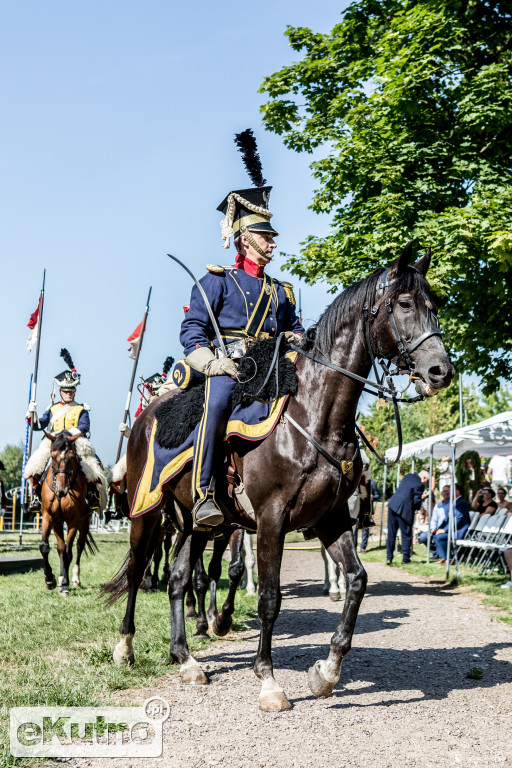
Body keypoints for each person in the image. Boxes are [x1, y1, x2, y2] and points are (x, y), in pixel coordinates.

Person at [180, 132, 304, 528]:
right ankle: (203, 494)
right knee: (216, 404)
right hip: (227, 368)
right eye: (266, 236)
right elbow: (191, 331)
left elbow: (294, 330)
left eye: (271, 237)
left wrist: (298, 344)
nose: (273, 243)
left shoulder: (281, 291)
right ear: (245, 238)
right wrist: (213, 363)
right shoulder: (216, 281)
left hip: (271, 368)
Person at [24, 350, 107, 511]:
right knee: (35, 466)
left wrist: (68, 435)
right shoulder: (53, 408)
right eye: (65, 391)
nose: (68, 393)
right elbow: (38, 426)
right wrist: (31, 415)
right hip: (53, 442)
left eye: (71, 391)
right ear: (60, 391)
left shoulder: (81, 409)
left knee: (93, 465)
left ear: (74, 391)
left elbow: (84, 426)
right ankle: (36, 495)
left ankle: (93, 495)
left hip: (75, 441)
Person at [386, 470, 429, 564]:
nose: (426, 484)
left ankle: (389, 558)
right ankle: (405, 559)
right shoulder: (420, 484)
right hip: (405, 510)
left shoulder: (407, 476)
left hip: (393, 505)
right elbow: (416, 500)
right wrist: (418, 507)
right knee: (406, 534)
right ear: (424, 478)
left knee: (391, 533)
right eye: (427, 481)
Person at [433, 483, 471, 564]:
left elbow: (457, 519)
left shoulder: (461, 502)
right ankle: (444, 556)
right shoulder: (454, 502)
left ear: (457, 491)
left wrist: (445, 530)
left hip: (459, 531)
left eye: (452, 490)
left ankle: (449, 558)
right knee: (435, 535)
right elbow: (447, 519)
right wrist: (439, 528)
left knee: (440, 537)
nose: (449, 492)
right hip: (453, 529)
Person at [417, 485, 451, 553]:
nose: (445, 493)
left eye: (447, 491)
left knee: (439, 536)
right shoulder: (438, 505)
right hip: (435, 529)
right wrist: (433, 528)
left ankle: (443, 554)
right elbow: (434, 519)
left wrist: (443, 529)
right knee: (423, 537)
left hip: (445, 529)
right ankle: (436, 553)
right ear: (441, 493)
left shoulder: (452, 504)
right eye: (444, 491)